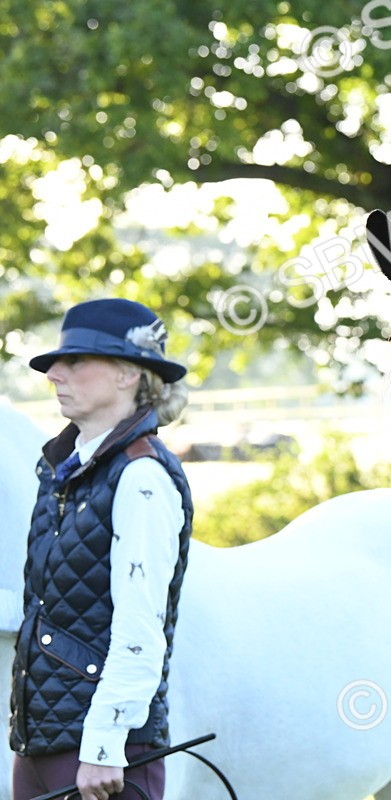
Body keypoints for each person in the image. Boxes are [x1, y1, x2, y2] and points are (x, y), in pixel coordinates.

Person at [9, 299, 193, 800]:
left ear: (127, 375)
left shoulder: (142, 477)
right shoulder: (61, 471)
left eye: (75, 361)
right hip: (40, 742)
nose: (55, 374)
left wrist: (105, 743)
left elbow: (141, 624)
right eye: (55, 363)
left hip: (102, 754)